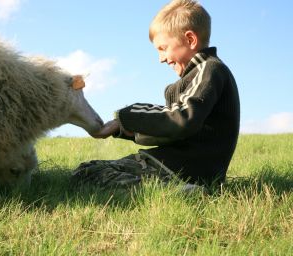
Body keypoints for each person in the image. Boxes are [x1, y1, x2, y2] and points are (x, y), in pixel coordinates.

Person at [71, 0, 240, 190]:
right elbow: (173, 129)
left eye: (163, 48)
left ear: (190, 39)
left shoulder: (209, 69)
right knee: (90, 173)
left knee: (86, 172)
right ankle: (178, 190)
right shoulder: (198, 77)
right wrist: (123, 129)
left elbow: (182, 119)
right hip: (189, 170)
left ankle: (174, 191)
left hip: (176, 168)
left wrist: (126, 116)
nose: (161, 59)